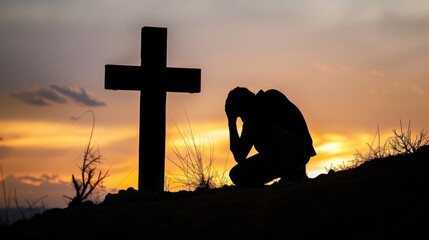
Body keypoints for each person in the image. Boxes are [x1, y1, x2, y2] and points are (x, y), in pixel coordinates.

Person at [225, 87, 316, 188]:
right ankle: (287, 177)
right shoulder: (250, 122)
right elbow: (239, 156)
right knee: (236, 174)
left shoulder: (270, 97)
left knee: (267, 134)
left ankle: (294, 176)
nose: (242, 119)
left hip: (298, 150)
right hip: (277, 157)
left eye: (240, 114)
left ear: (245, 105)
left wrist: (246, 123)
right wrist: (231, 122)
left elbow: (269, 126)